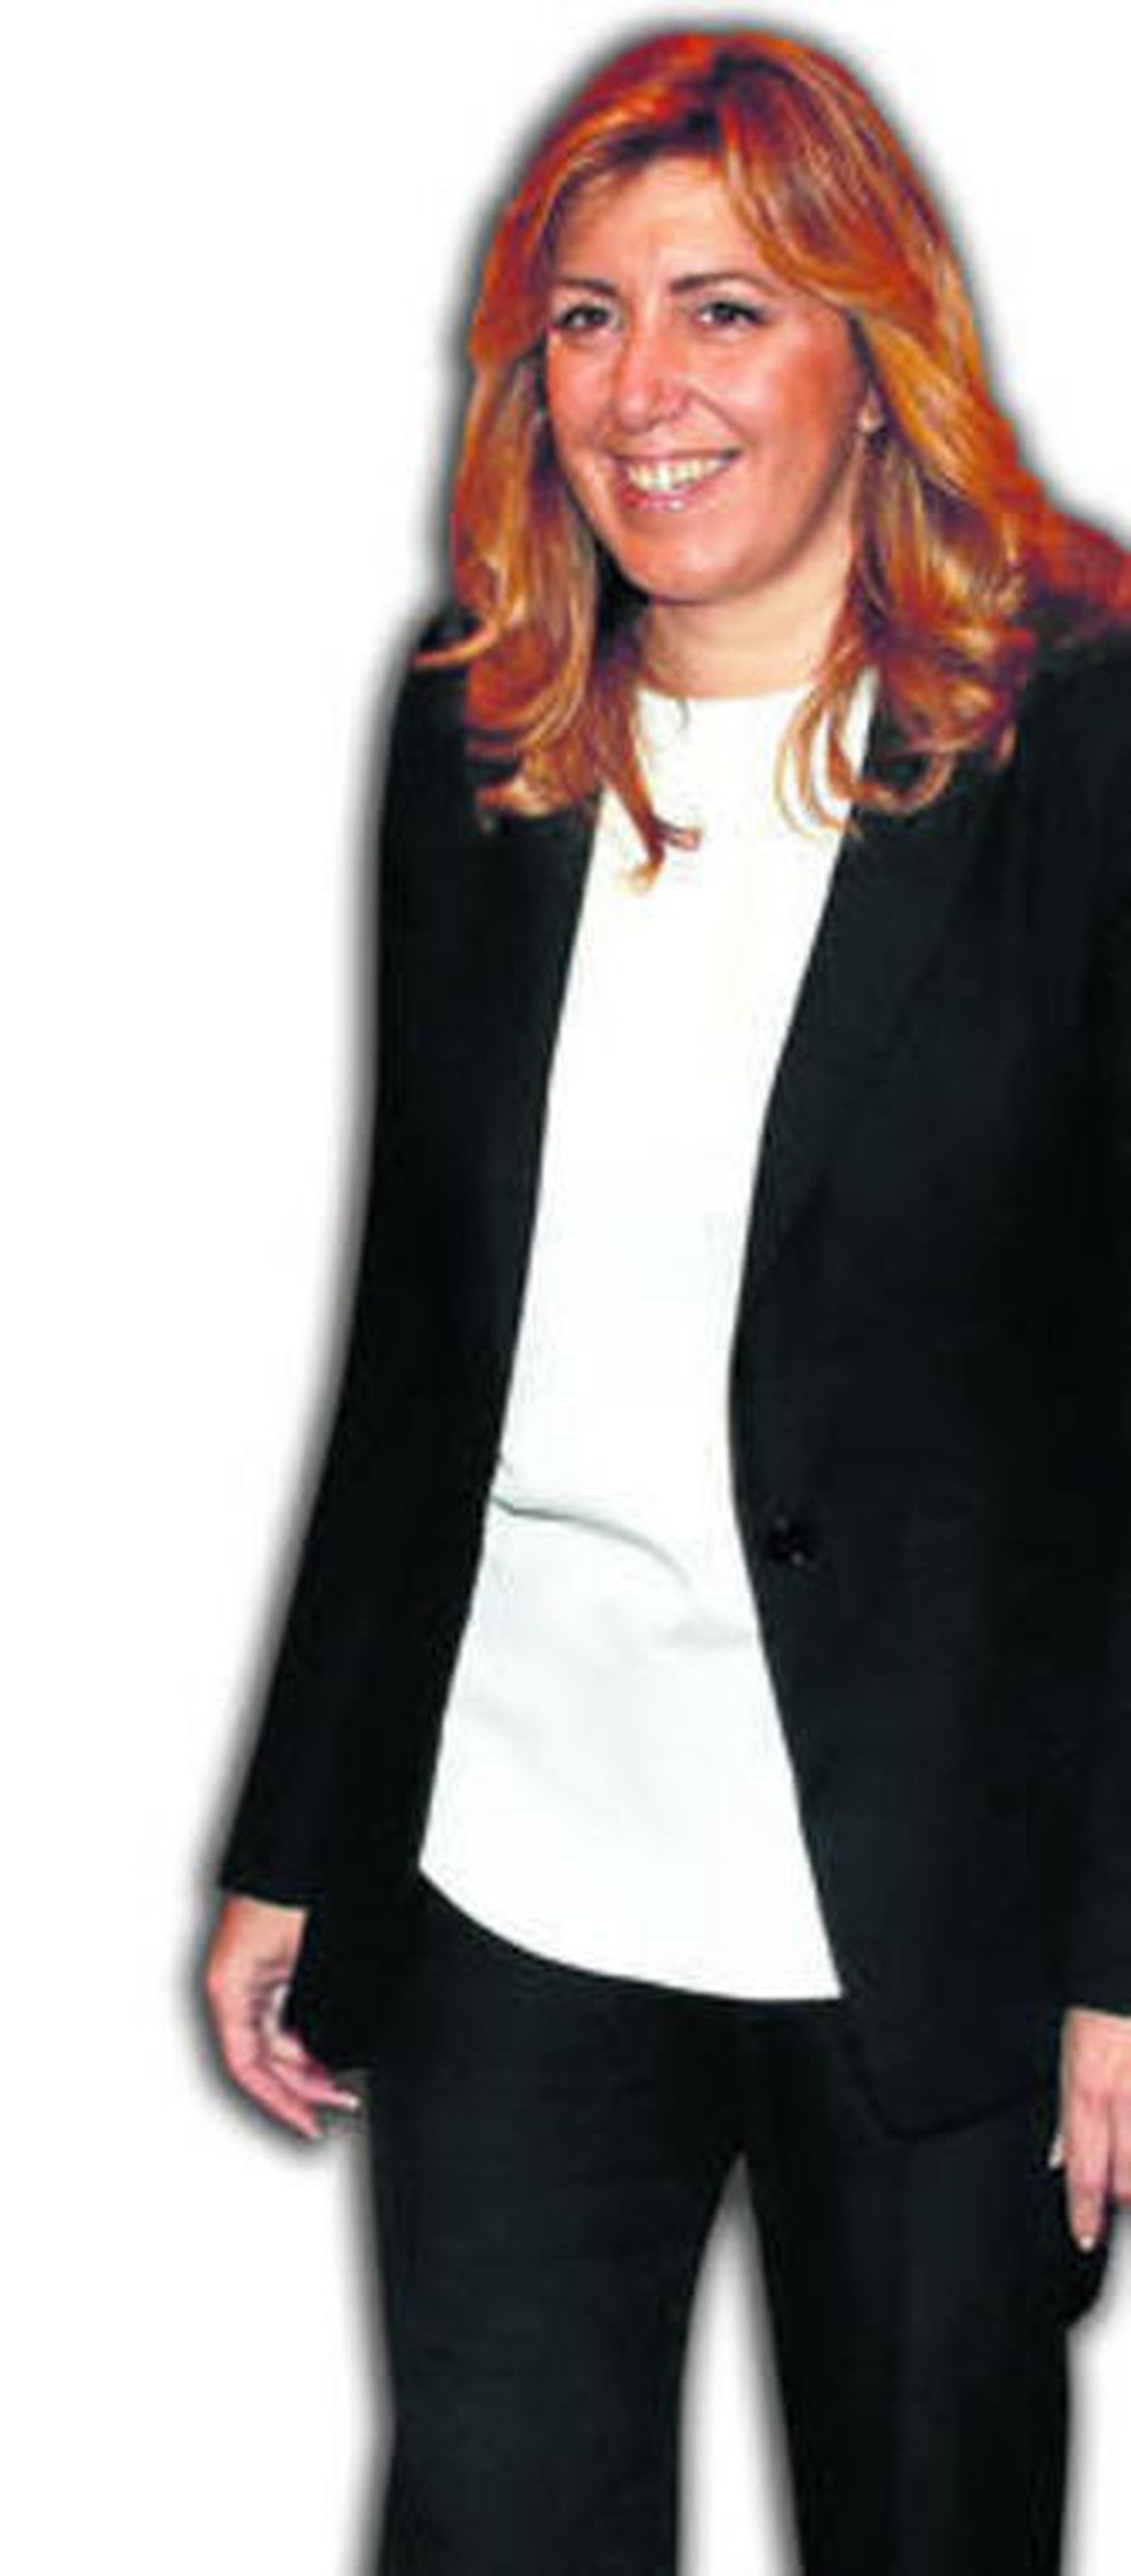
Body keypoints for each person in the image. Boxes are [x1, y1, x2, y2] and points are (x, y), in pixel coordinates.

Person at [203, 28, 1131, 2574]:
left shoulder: (1081, 753)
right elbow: (422, 1331)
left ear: (875, 347)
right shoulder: (480, 736)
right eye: (585, 320)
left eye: (726, 308)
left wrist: (1123, 1941)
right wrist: (305, 1822)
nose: (644, 390)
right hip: (516, 1868)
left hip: (932, 1904)